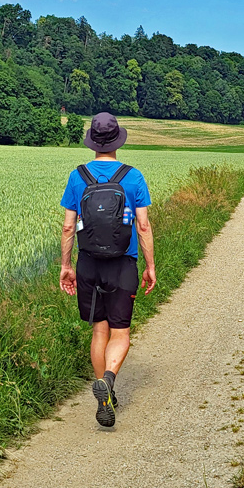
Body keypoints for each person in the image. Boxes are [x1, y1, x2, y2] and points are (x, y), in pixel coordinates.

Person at [59, 112, 156, 428]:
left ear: (92, 143)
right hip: (122, 265)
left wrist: (65, 266)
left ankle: (105, 393)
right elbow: (142, 225)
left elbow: (67, 227)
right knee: (121, 332)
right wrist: (150, 265)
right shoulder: (133, 176)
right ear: (117, 141)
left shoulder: (78, 177)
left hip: (88, 264)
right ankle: (110, 382)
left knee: (99, 330)